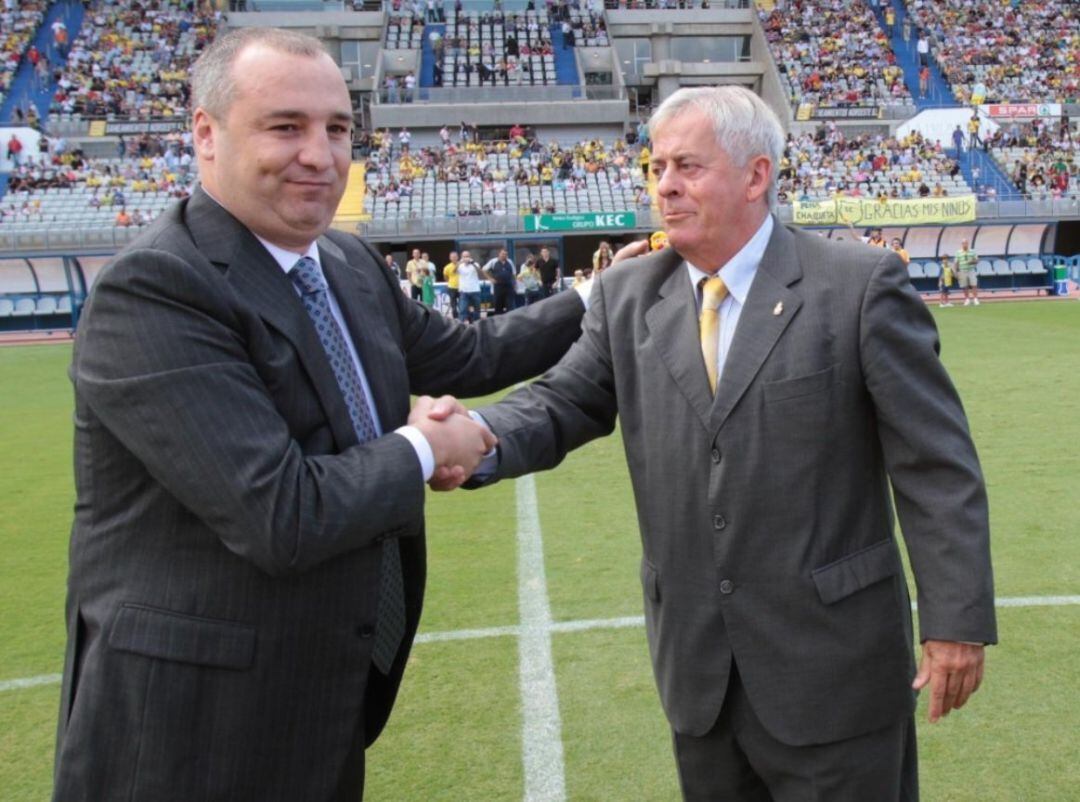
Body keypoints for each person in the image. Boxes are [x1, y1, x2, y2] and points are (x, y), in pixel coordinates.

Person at [51, 28, 588, 801]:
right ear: (206, 133)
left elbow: (470, 356)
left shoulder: (345, 261)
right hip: (187, 733)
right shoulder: (156, 288)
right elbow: (281, 513)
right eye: (285, 126)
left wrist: (599, 295)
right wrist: (423, 446)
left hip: (319, 699)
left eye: (337, 129)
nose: (320, 154)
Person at [468, 86, 995, 800]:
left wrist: (955, 618)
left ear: (756, 176)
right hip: (701, 679)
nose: (665, 186)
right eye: (657, 168)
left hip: (836, 676)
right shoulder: (627, 295)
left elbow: (935, 464)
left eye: (687, 166)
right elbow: (561, 401)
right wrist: (475, 438)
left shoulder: (858, 286)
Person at [483, 248, 517, 314]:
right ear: (499, 254)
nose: (504, 255)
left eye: (505, 254)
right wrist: (490, 279)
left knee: (510, 307)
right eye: (502, 254)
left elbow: (514, 274)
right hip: (498, 287)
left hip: (508, 287)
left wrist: (515, 285)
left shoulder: (510, 262)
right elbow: (484, 270)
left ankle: (509, 319)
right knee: (498, 306)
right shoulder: (493, 261)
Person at [456, 250, 483, 322]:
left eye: (467, 256)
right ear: (462, 257)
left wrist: (472, 263)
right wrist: (459, 262)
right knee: (462, 309)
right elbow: (454, 271)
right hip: (464, 291)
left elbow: (479, 271)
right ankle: (461, 325)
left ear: (470, 257)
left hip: (475, 290)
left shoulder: (475, 264)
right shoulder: (460, 266)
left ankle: (477, 323)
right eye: (464, 256)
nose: (466, 258)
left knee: (477, 309)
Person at [955, 238, 980, 306]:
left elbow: (977, 260)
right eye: (963, 243)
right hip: (962, 271)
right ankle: (967, 299)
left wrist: (971, 262)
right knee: (964, 285)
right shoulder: (958, 252)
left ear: (968, 244)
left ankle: (975, 299)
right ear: (961, 244)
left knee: (974, 284)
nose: (965, 244)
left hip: (971, 270)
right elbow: (956, 262)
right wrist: (956, 272)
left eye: (966, 243)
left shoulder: (972, 251)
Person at [443, 250, 460, 318]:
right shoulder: (447, 267)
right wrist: (450, 282)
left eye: (455, 257)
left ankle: (463, 319)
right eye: (452, 257)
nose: (454, 258)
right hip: (452, 288)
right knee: (454, 305)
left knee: (463, 305)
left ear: (458, 257)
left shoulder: (462, 265)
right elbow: (445, 277)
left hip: (462, 288)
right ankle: (455, 319)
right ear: (450, 258)